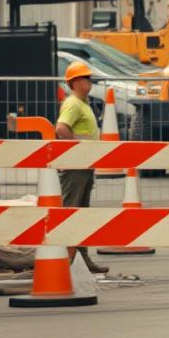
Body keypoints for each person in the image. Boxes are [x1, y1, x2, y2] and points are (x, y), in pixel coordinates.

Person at [55, 61, 109, 274]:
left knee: (81, 211)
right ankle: (66, 260)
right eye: (85, 78)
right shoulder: (73, 104)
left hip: (85, 164)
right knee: (72, 210)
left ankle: (82, 258)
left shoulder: (83, 103)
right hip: (76, 165)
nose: (90, 82)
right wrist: (78, 144)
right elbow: (61, 128)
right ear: (75, 82)